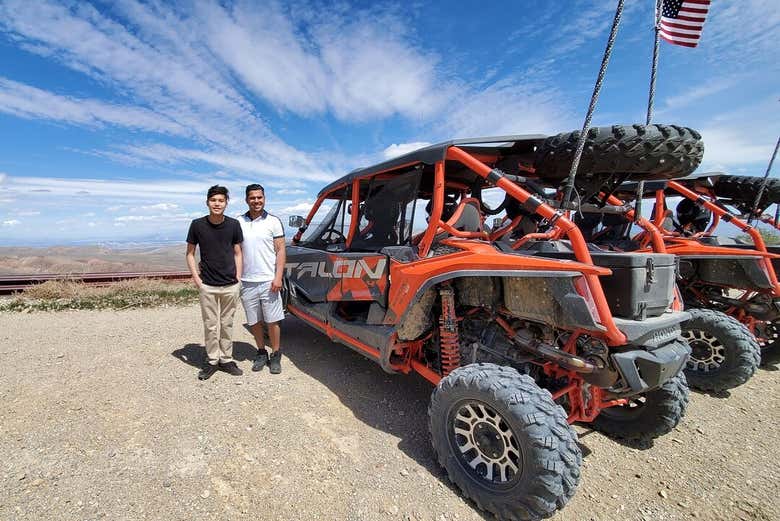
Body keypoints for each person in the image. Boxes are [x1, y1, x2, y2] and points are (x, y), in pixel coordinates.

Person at [186, 185, 244, 380]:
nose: (217, 204)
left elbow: (238, 252)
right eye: (213, 200)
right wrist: (197, 279)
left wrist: (238, 277)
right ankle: (212, 361)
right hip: (208, 285)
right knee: (210, 325)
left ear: (226, 203)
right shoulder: (197, 225)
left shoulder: (234, 224)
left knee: (227, 324)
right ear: (207, 202)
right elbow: (190, 254)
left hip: (230, 284)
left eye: (221, 200)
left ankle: (226, 359)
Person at [238, 184, 286, 374]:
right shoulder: (238, 222)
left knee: (273, 320)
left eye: (259, 197)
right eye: (252, 198)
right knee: (254, 320)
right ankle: (260, 352)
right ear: (246, 200)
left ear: (264, 198)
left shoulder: (273, 221)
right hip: (247, 280)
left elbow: (281, 250)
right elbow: (234, 250)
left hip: (269, 280)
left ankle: (275, 354)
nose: (256, 201)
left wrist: (278, 277)